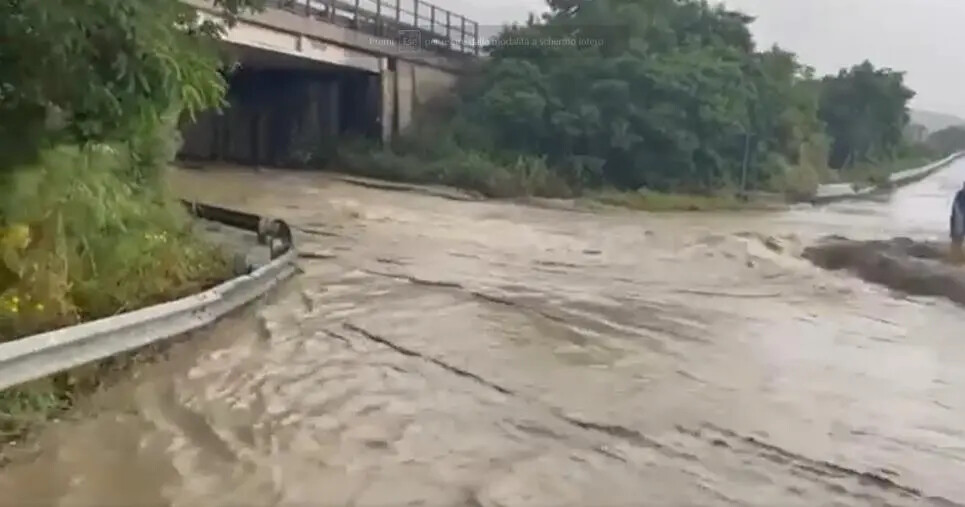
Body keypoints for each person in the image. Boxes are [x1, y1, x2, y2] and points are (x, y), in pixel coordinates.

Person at [950, 182, 965, 262]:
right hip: (959, 219)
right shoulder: (960, 196)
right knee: (957, 237)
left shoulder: (959, 195)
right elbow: (957, 211)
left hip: (958, 219)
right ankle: (956, 255)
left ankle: (956, 255)